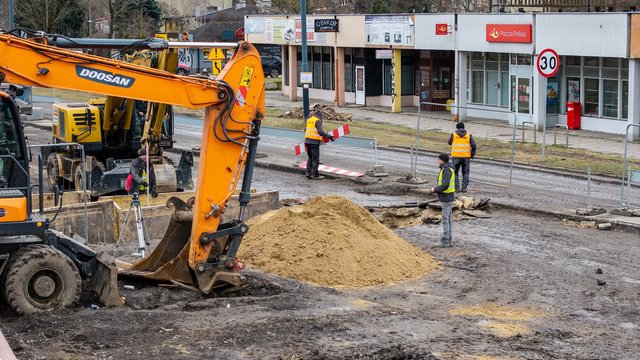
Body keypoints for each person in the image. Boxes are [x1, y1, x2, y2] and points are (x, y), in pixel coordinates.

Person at [428, 153, 456, 247]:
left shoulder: (446, 169)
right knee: (448, 219)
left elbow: (445, 185)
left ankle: (445, 240)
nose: (437, 160)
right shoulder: (447, 168)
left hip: (446, 197)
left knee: (445, 219)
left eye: (439, 159)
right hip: (447, 196)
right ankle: (449, 239)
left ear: (443, 160)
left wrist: (434, 190)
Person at [304, 110, 334, 180]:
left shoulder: (309, 120)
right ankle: (315, 175)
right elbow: (320, 132)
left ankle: (308, 173)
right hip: (314, 142)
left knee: (310, 158)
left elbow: (306, 130)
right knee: (315, 159)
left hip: (307, 141)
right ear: (320, 116)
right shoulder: (317, 121)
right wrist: (330, 137)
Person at [448, 122, 476, 192]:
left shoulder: (454, 134)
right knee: (465, 173)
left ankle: (457, 188)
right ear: (464, 127)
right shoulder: (469, 135)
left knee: (455, 173)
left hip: (456, 157)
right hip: (466, 157)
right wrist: (472, 155)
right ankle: (464, 188)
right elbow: (474, 146)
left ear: (456, 127)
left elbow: (449, 142)